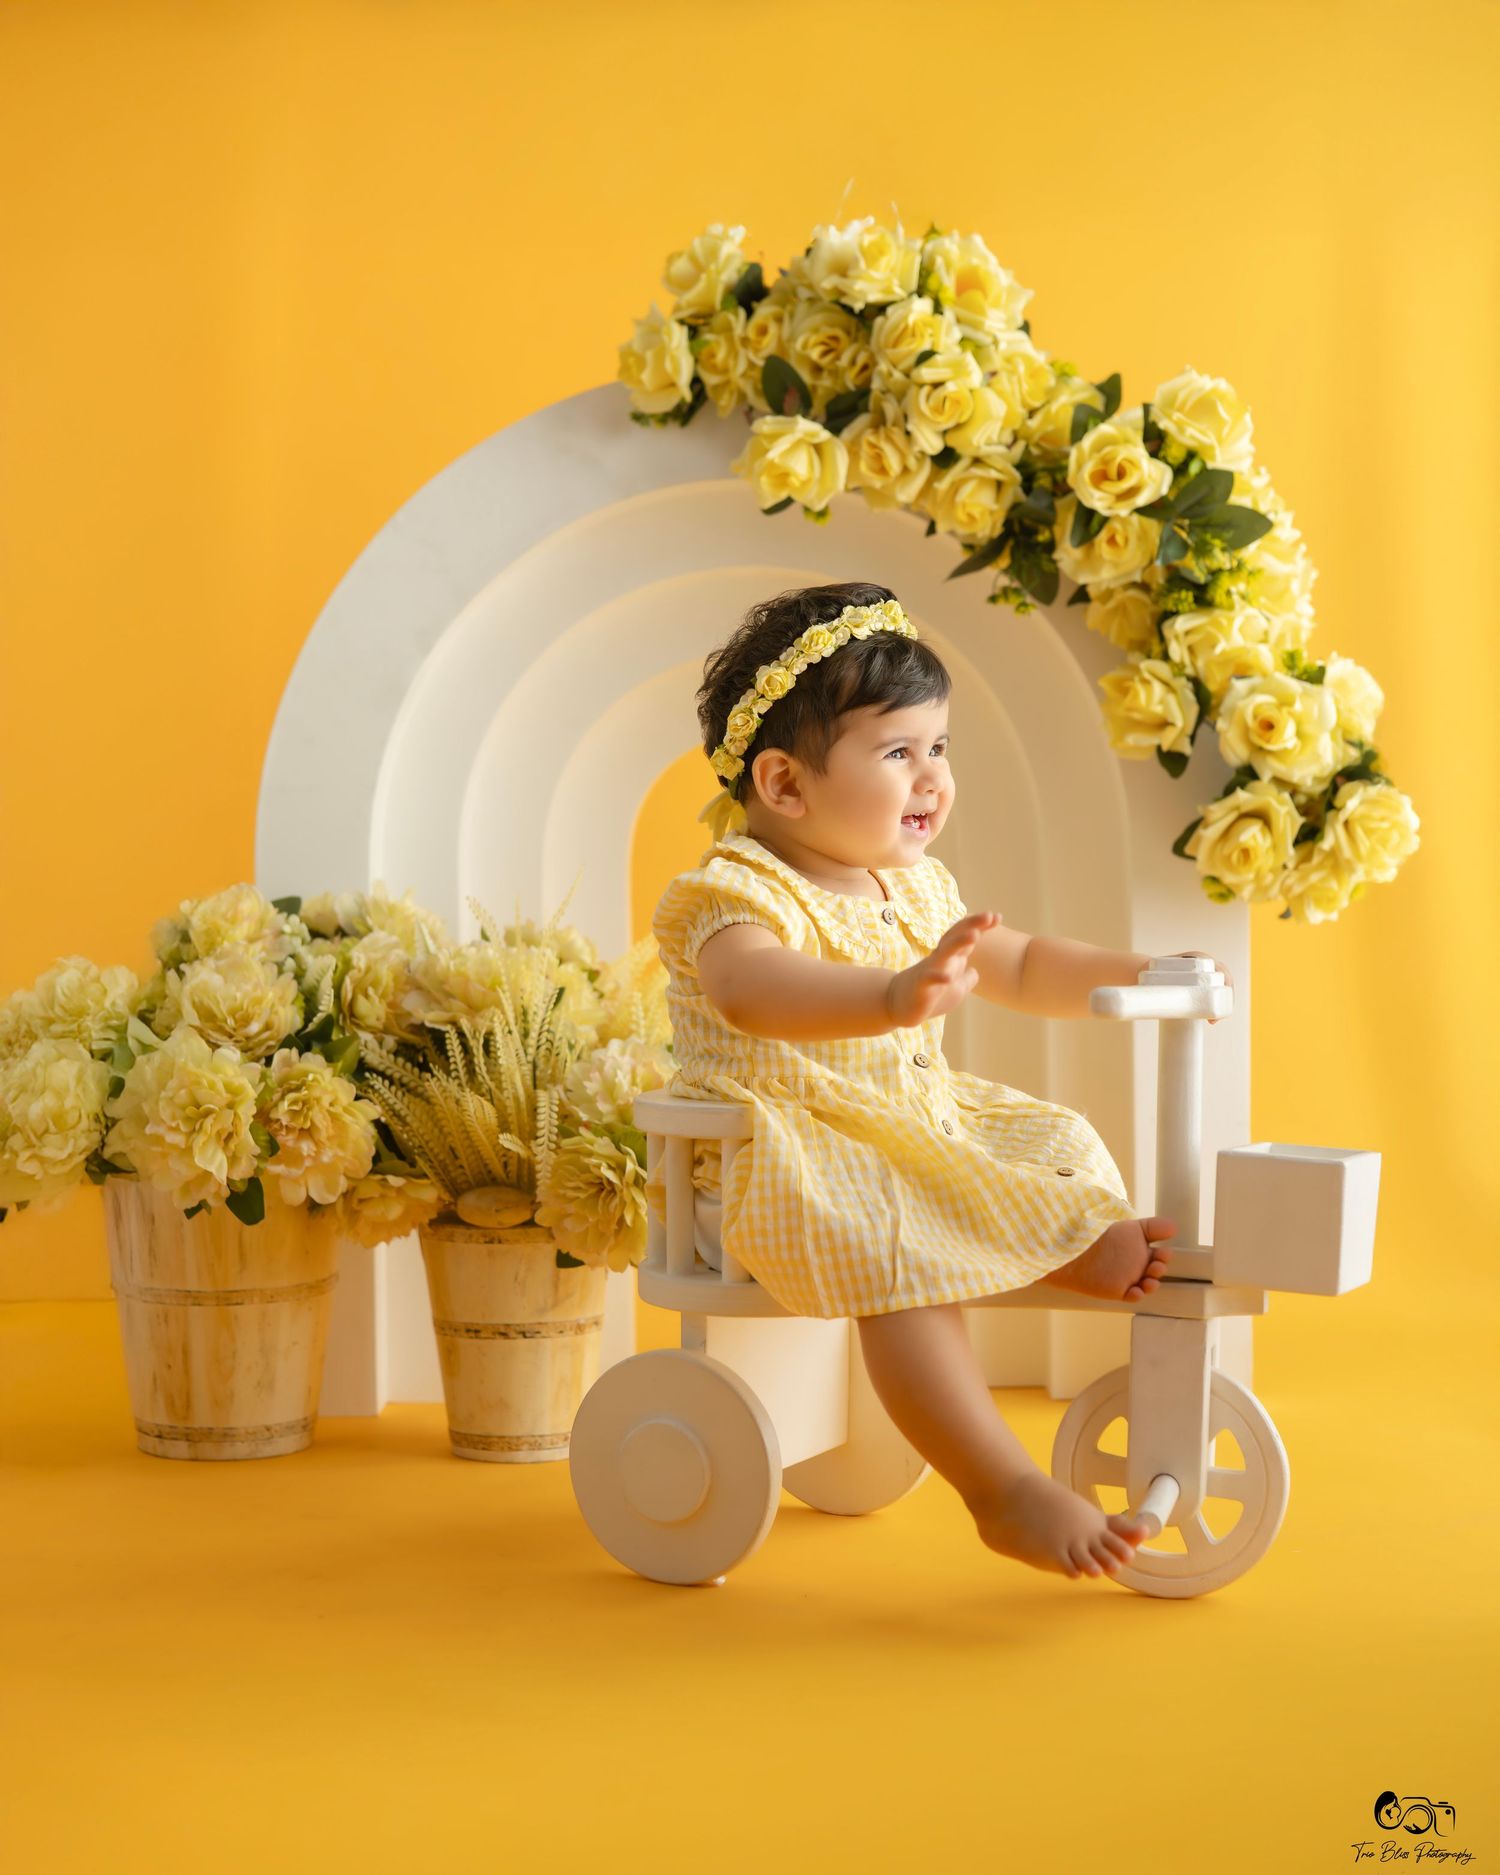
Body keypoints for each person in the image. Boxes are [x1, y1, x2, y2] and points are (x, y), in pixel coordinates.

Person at [648, 580, 1233, 1583]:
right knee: (898, 1243)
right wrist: (890, 994)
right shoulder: (730, 891)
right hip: (782, 1154)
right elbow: (751, 990)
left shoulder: (913, 884)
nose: (931, 779)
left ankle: (1067, 1240)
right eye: (897, 753)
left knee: (1050, 1138)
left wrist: (1141, 971)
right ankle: (999, 1487)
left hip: (903, 1131)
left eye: (939, 747)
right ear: (785, 786)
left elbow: (1025, 961)